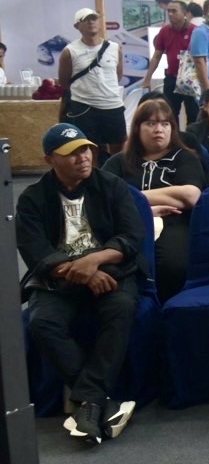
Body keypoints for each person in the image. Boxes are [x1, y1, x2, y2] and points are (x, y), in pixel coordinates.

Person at [18, 123, 146, 444]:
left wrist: (95, 260)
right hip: (57, 280)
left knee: (121, 308)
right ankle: (98, 401)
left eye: (86, 149)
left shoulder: (112, 186)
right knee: (42, 322)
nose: (83, 157)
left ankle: (86, 401)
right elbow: (36, 252)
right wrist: (82, 271)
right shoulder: (32, 199)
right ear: (50, 160)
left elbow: (132, 237)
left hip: (111, 274)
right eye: (71, 153)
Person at [103, 99, 206, 301]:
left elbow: (191, 196)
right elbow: (104, 199)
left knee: (173, 266)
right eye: (151, 123)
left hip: (174, 222)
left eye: (165, 123)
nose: (159, 129)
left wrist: (132, 197)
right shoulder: (118, 161)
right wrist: (146, 210)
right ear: (137, 128)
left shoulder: (184, 157)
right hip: (127, 224)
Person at [58, 8, 127, 158]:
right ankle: (93, 173)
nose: (91, 22)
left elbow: (117, 75)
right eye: (85, 19)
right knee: (89, 148)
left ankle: (114, 172)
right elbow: (64, 81)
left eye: (94, 18)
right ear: (77, 26)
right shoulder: (69, 51)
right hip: (84, 107)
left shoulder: (115, 48)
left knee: (118, 147)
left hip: (112, 105)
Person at [145, 0, 198, 125]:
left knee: (193, 113)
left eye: (174, 11)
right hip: (171, 78)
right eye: (168, 11)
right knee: (170, 114)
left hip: (190, 78)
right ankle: (173, 136)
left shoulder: (195, 31)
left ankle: (191, 137)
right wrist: (147, 79)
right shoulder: (164, 31)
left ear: (185, 13)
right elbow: (156, 56)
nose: (170, 14)